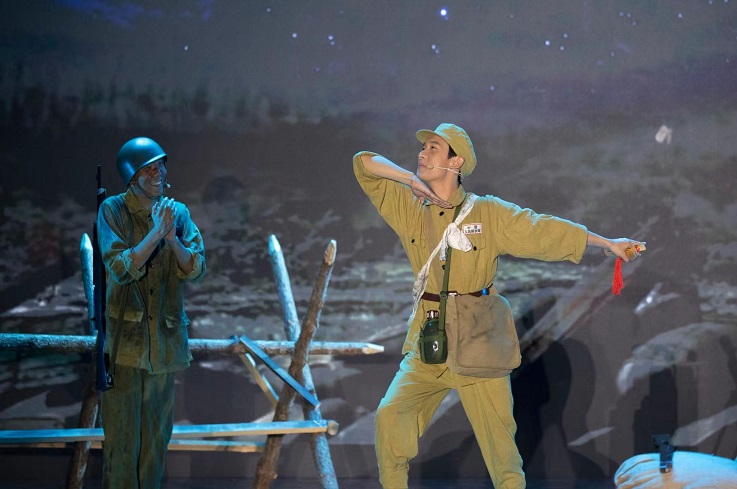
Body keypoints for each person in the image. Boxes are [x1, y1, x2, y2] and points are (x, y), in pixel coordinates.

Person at [353, 123, 645, 489]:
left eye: (433, 148)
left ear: (455, 162)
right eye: (423, 148)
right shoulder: (410, 208)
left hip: (478, 340)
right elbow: (364, 163)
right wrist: (409, 179)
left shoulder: (487, 212)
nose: (422, 154)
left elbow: (542, 230)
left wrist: (607, 243)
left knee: (500, 450)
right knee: (391, 418)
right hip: (429, 340)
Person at [97, 136, 206, 488]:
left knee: (156, 445)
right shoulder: (113, 210)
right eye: (149, 168)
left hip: (164, 348)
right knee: (122, 444)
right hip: (125, 350)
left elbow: (196, 268)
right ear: (132, 175)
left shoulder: (178, 213)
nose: (158, 173)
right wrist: (156, 234)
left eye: (161, 166)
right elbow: (120, 268)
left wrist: (172, 238)